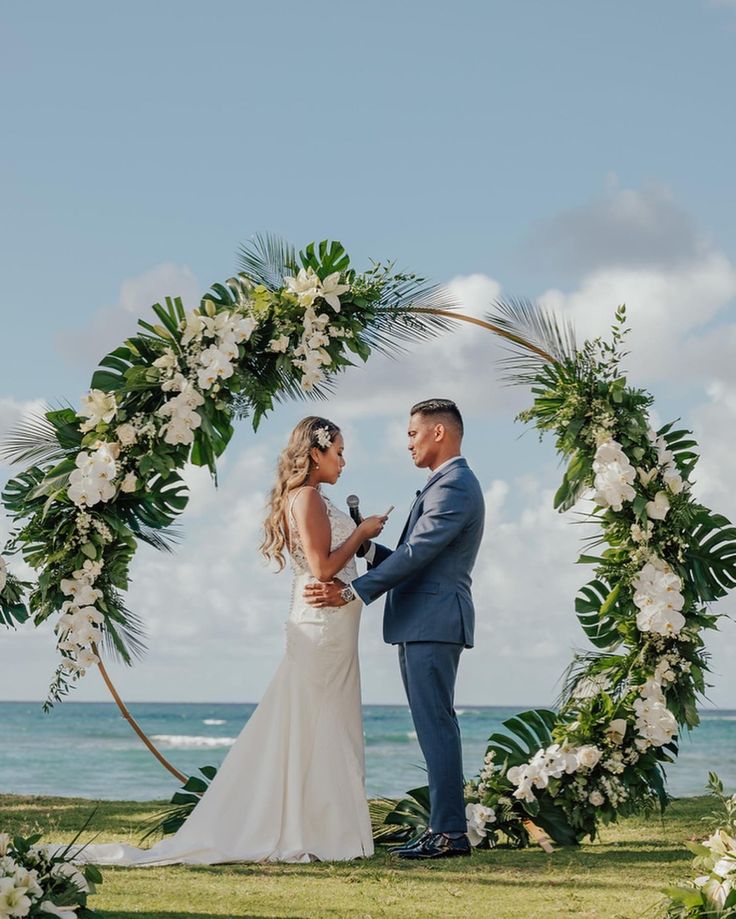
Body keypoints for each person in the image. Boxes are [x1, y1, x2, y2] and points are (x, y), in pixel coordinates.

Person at [71, 416, 387, 865]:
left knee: (324, 722)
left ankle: (324, 826)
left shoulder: (313, 497)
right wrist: (361, 533)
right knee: (321, 722)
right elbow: (320, 568)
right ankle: (316, 829)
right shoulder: (309, 498)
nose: (344, 460)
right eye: (338, 451)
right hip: (323, 626)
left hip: (332, 626)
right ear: (315, 453)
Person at [304, 399, 485, 860]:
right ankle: (442, 828)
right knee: (432, 726)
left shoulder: (456, 485)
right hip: (423, 619)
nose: (407, 443)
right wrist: (364, 547)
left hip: (434, 620)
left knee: (437, 726)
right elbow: (414, 556)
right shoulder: (442, 485)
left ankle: (449, 833)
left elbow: (418, 553)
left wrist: (353, 591)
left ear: (439, 433)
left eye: (411, 434)